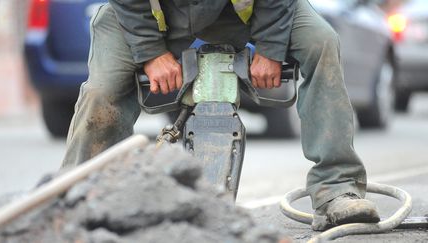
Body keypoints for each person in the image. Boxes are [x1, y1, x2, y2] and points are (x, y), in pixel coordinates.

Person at [61, 0, 380, 230]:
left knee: (321, 42)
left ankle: (336, 190)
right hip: (145, 13)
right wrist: (151, 53)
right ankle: (78, 199)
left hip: (243, 12)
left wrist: (270, 46)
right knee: (102, 92)